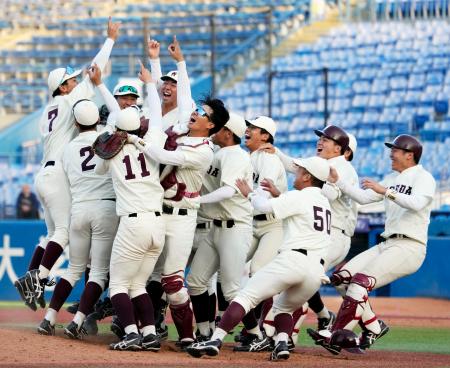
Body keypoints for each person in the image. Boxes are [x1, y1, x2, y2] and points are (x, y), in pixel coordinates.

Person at [14, 18, 120, 311]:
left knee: (50, 235)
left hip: (43, 174)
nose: (76, 83)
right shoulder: (65, 102)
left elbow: (85, 79)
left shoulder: (46, 111)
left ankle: (30, 277)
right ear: (62, 88)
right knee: (63, 233)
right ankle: (38, 278)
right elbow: (94, 73)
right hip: (58, 174)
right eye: (71, 81)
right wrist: (110, 40)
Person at [186, 156, 332, 361]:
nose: (296, 173)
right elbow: (298, 208)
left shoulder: (300, 196)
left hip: (293, 259)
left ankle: (215, 339)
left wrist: (249, 193)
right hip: (316, 271)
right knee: (284, 309)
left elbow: (263, 207)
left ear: (308, 177)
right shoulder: (323, 202)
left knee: (244, 297)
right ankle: (281, 344)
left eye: (300, 171)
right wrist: (277, 195)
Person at [127, 61, 227, 346]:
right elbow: (179, 103)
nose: (195, 114)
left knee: (173, 282)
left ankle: (186, 337)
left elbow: (166, 157)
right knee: (143, 277)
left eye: (202, 114)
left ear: (212, 126)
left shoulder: (205, 151)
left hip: (182, 217)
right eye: (197, 110)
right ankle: (146, 330)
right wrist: (177, 63)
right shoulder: (184, 131)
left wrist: (139, 142)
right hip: (160, 211)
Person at [308, 134, 436, 354]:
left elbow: (417, 204)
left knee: (359, 283)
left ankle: (336, 334)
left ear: (409, 155)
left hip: (410, 246)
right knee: (341, 279)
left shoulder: (424, 177)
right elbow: (363, 197)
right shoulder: (391, 177)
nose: (390, 154)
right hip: (387, 243)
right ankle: (374, 327)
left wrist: (386, 191)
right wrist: (338, 182)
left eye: (395, 150)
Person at [37, 66, 119, 337]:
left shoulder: (69, 148)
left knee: (73, 269)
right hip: (105, 207)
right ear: (98, 119)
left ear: (75, 123)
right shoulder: (106, 138)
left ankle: (49, 318)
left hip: (80, 210)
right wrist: (101, 86)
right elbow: (117, 117)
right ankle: (78, 321)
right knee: (97, 273)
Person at [257, 125, 358, 345]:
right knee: (303, 279)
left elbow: (324, 193)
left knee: (296, 281)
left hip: (333, 236)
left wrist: (286, 196)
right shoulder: (323, 166)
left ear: (344, 150)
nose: (321, 141)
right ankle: (321, 317)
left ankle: (283, 337)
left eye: (327, 139)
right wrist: (277, 154)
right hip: (321, 235)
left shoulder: (343, 167)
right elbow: (300, 170)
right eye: (321, 137)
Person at [93, 71, 167, 351]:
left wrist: (113, 137)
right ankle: (149, 333)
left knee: (120, 286)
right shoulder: (153, 143)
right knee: (138, 285)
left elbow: (101, 166)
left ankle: (131, 333)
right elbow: (157, 118)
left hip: (133, 223)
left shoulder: (113, 151)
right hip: (157, 224)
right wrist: (150, 83)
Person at [187, 112, 254, 343]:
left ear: (228, 133)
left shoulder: (236, 155)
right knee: (195, 282)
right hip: (215, 227)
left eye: (218, 127)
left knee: (232, 290)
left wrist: (197, 200)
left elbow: (228, 190)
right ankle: (204, 331)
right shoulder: (217, 152)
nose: (212, 128)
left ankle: (256, 334)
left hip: (234, 228)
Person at [233, 116, 288, 351]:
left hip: (272, 224)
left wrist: (245, 195)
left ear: (265, 136)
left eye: (254, 128)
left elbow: (263, 198)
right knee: (232, 267)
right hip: (251, 222)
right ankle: (249, 325)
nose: (248, 130)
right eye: (248, 127)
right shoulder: (249, 157)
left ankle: (262, 330)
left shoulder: (269, 158)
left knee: (258, 272)